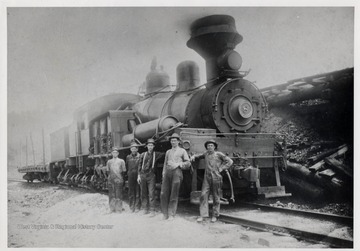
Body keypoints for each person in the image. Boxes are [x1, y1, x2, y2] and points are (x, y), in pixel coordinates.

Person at [191, 139, 233, 223]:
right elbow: (199, 156)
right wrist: (193, 156)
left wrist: (221, 168)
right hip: (207, 177)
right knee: (203, 195)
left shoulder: (219, 154)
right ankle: (203, 215)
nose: (209, 147)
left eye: (211, 146)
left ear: (214, 147)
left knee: (216, 196)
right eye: (208, 146)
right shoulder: (206, 154)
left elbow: (230, 161)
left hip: (216, 177)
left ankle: (215, 215)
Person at [160, 133, 190, 220]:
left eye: (175, 140)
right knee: (163, 193)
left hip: (177, 173)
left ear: (178, 141)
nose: (173, 142)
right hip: (167, 173)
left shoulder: (182, 151)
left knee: (174, 194)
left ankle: (171, 214)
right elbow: (165, 164)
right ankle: (165, 214)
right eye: (172, 141)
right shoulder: (168, 152)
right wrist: (163, 173)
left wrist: (178, 164)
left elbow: (188, 163)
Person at [137, 138, 164, 217]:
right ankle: (145, 209)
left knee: (151, 193)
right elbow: (139, 165)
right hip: (142, 175)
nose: (150, 147)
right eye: (149, 145)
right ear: (147, 146)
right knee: (143, 193)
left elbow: (165, 154)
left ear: (153, 146)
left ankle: (152, 210)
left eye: (151, 145)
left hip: (151, 175)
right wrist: (138, 176)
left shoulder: (157, 154)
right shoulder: (143, 155)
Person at [106, 147, 126, 213]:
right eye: (113, 152)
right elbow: (108, 171)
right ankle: (112, 209)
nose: (115, 154)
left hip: (119, 179)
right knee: (111, 194)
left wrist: (119, 177)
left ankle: (118, 209)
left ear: (118, 153)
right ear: (112, 153)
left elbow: (124, 171)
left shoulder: (121, 161)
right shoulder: (109, 162)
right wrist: (111, 177)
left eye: (116, 152)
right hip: (111, 179)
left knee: (118, 194)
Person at [126, 142, 141, 213]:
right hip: (130, 176)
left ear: (137, 149)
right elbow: (126, 166)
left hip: (138, 176)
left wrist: (139, 175)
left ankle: (137, 207)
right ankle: (131, 206)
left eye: (135, 148)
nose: (134, 150)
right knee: (131, 191)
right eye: (132, 148)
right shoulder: (128, 157)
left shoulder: (140, 156)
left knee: (138, 192)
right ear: (130, 149)